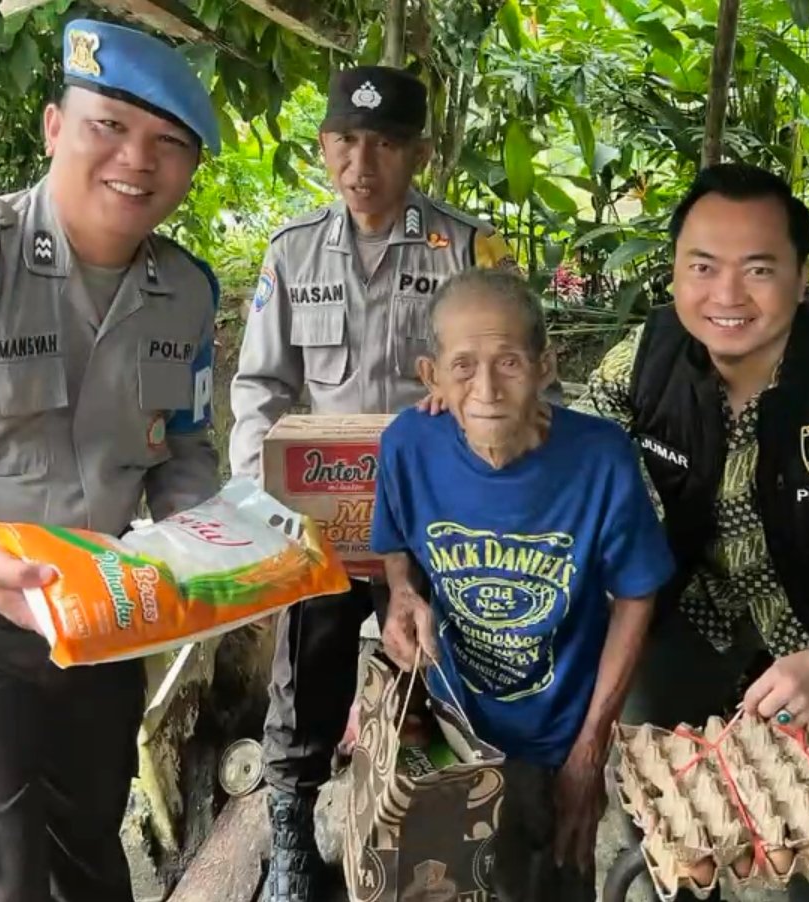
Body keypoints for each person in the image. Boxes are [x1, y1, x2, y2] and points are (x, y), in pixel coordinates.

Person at [0, 20, 220, 902]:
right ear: (53, 127)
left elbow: (180, 443)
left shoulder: (182, 292)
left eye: (169, 143)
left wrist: (212, 542)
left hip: (98, 615)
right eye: (109, 125)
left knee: (91, 857)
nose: (137, 161)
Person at [577, 163, 809, 901]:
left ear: (801, 276)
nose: (726, 296)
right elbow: (563, 458)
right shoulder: (645, 363)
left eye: (758, 269)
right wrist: (470, 401)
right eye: (703, 267)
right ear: (676, 273)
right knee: (663, 819)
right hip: (684, 620)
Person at [230, 66, 535, 900]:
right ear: (325, 146)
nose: (362, 161)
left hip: (435, 515)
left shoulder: (467, 251)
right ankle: (293, 844)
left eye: (386, 143)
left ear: (420, 154)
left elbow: (512, 368)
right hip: (326, 514)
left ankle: (451, 832)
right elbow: (259, 390)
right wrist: (265, 498)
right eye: (345, 140)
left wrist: (472, 389)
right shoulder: (293, 254)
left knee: (450, 669)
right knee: (307, 669)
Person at [373, 269, 675, 901]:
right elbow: (397, 539)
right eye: (463, 366)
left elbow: (637, 594)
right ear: (431, 377)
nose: (485, 389)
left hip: (558, 732)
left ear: (544, 366)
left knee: (556, 878)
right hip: (458, 727)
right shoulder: (408, 445)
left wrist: (590, 752)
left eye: (508, 362)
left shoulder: (600, 459)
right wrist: (403, 593)